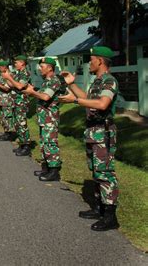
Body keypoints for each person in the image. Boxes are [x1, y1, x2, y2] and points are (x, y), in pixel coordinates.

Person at [59, 46, 120, 231]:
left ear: (100, 61)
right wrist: (71, 84)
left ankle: (110, 216)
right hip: (93, 132)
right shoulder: (97, 81)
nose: (89, 63)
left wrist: (74, 101)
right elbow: (87, 98)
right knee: (96, 171)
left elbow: (102, 104)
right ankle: (99, 208)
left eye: (91, 59)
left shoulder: (109, 81)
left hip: (103, 133)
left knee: (105, 173)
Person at [23, 58, 62, 181]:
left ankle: (54, 171)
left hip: (50, 119)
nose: (40, 69)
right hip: (44, 118)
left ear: (50, 68)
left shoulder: (54, 81)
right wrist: (34, 90)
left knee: (50, 143)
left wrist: (32, 93)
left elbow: (45, 97)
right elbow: (42, 94)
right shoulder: (46, 82)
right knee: (44, 143)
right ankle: (46, 167)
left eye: (42, 66)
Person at [2, 55, 32, 156]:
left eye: (16, 62)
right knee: (17, 123)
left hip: (21, 102)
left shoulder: (25, 73)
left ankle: (26, 146)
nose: (15, 64)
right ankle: (22, 144)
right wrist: (7, 78)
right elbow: (11, 85)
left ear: (22, 63)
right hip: (15, 102)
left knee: (22, 123)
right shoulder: (18, 74)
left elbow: (19, 86)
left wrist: (9, 77)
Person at [0, 61, 14, 141]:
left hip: (7, 100)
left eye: (1, 67)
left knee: (7, 117)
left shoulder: (9, 75)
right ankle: (6, 132)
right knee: (2, 117)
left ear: (5, 67)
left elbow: (6, 88)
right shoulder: (3, 75)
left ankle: (9, 134)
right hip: (2, 100)